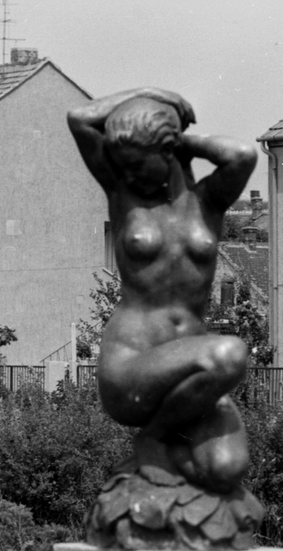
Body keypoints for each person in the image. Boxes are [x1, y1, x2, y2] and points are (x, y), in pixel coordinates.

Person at [68, 88, 258, 494]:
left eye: (138, 164)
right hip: (131, 366)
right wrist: (151, 94)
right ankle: (152, 438)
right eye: (124, 166)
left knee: (226, 469)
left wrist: (178, 136)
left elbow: (242, 155)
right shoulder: (123, 197)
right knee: (230, 353)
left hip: (190, 371)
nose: (131, 174)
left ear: (166, 151)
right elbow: (79, 118)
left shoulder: (208, 202)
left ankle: (167, 448)